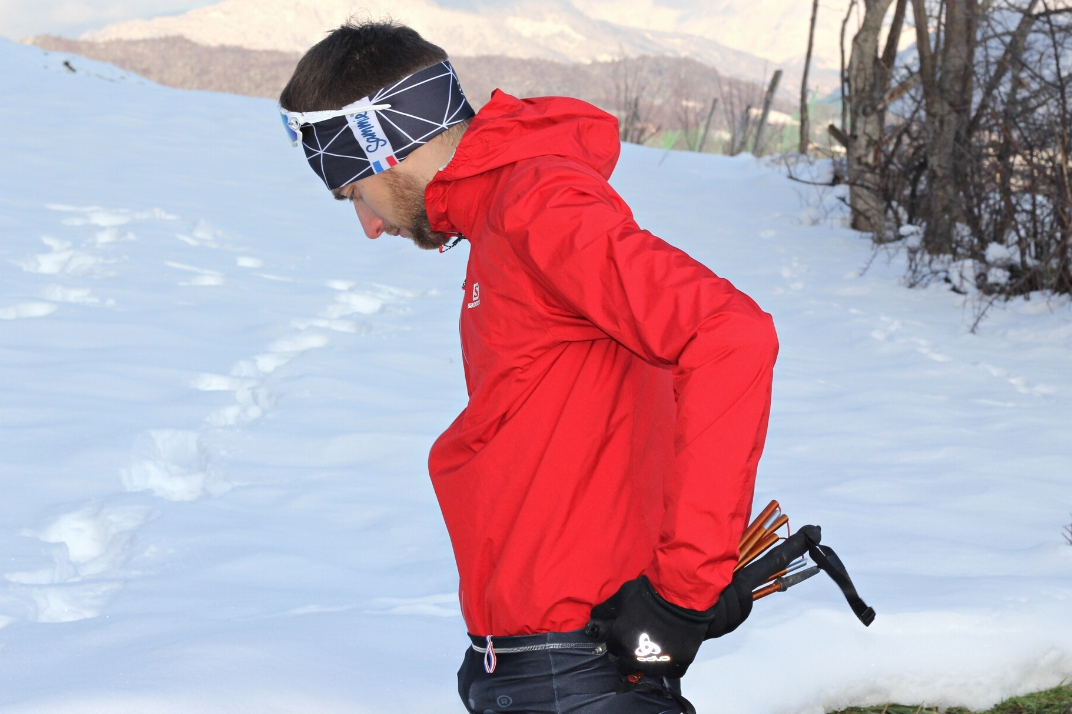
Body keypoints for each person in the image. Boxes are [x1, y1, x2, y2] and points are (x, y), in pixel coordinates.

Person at [279, 21, 779, 714]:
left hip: (576, 674)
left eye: (354, 192)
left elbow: (729, 335)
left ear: (382, 146)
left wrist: (683, 590)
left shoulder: (537, 204)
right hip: (537, 668)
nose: (367, 225)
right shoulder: (501, 222)